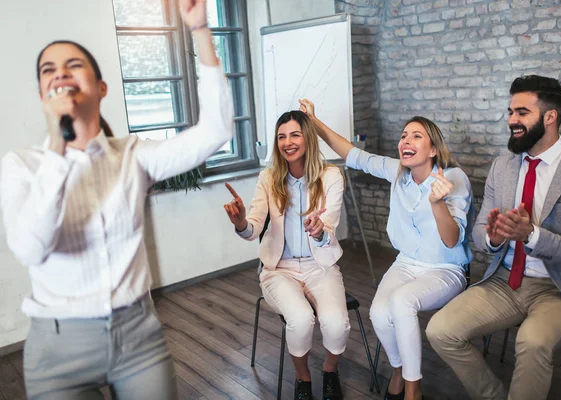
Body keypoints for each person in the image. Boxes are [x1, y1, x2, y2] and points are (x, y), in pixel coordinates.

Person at [0, 1, 233, 398]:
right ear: (43, 94)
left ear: (101, 87)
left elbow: (215, 130)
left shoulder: (133, 156)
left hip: (138, 336)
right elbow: (30, 249)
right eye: (48, 69)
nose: (59, 73)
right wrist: (60, 143)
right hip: (58, 350)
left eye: (73, 64)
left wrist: (199, 30)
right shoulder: (21, 166)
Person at [426, 75, 561, 400]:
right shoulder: (502, 167)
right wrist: (493, 237)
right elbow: (479, 234)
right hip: (505, 282)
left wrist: (531, 234)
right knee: (440, 330)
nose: (511, 120)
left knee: (531, 342)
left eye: (521, 112)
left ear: (550, 117)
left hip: (560, 289)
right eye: (510, 112)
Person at [300, 100, 473, 400]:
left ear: (433, 149)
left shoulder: (453, 179)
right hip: (406, 263)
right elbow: (353, 155)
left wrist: (437, 203)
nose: (406, 140)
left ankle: (413, 390)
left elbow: (451, 240)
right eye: (404, 135)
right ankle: (398, 370)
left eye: (416, 135)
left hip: (446, 268)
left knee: (402, 302)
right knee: (379, 312)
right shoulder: (397, 172)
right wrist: (313, 122)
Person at [224, 110, 349, 400]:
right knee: (302, 319)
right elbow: (252, 228)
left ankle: (330, 372)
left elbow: (328, 226)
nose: (287, 142)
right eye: (281, 136)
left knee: (336, 322)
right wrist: (241, 222)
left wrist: (318, 231)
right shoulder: (268, 178)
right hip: (279, 269)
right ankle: (303, 379)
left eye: (294, 134)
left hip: (321, 265)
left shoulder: (331, 176)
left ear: (308, 137)